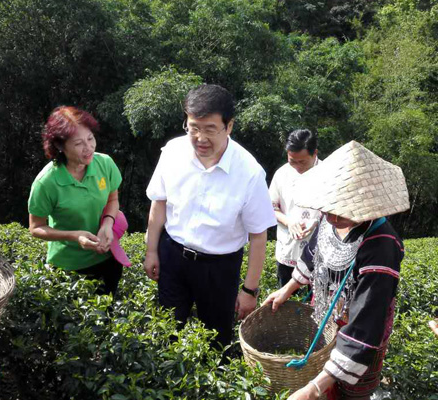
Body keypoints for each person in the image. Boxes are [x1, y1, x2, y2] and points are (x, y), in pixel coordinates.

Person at [263, 141, 410, 400]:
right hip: (327, 320)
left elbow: (366, 324)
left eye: (339, 211)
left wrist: (313, 389)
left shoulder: (381, 247)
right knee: (319, 371)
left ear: (367, 204)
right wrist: (286, 289)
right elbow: (312, 256)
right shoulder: (330, 219)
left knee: (347, 392)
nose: (330, 217)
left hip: (358, 333)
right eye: (327, 208)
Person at [144, 84, 277, 348]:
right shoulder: (173, 152)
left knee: (215, 341)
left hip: (219, 267)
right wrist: (151, 251)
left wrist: (249, 290)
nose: (200, 138)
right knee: (165, 334)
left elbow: (259, 235)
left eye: (210, 129)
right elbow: (159, 203)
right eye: (193, 127)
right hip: (173, 257)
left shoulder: (249, 172)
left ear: (229, 127)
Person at [28, 106, 128, 295]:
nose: (88, 148)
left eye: (90, 139)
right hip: (68, 267)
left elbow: (112, 199)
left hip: (108, 258)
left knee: (108, 316)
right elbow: (36, 228)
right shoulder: (47, 182)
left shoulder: (104, 164)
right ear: (60, 146)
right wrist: (74, 236)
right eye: (78, 143)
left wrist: (107, 224)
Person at [269, 129, 321, 288]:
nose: (297, 167)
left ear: (315, 153)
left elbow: (339, 213)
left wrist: (316, 223)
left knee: (316, 305)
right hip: (288, 253)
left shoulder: (329, 174)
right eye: (293, 161)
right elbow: (271, 207)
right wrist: (289, 222)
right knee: (284, 305)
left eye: (303, 162)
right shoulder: (282, 174)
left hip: (319, 254)